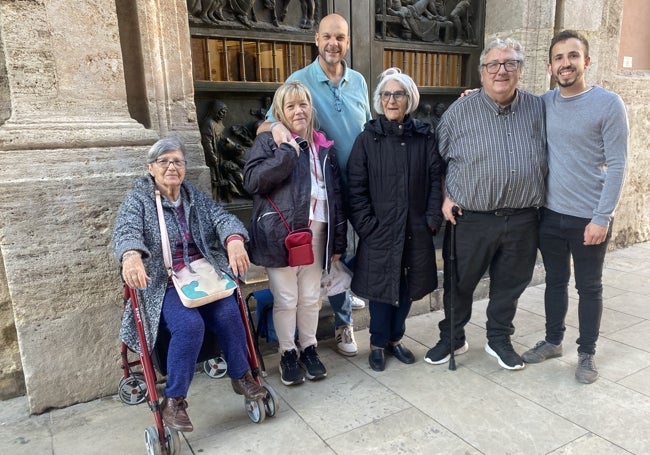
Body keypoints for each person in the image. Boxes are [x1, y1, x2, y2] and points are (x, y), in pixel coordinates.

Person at [112, 136, 266, 432]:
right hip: (163, 280)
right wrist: (131, 255)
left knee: (229, 312)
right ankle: (175, 400)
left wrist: (234, 240)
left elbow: (221, 218)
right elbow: (126, 230)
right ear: (151, 168)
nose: (172, 167)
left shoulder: (192, 195)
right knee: (189, 325)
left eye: (178, 161)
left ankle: (242, 376)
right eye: (164, 161)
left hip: (202, 274)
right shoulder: (139, 199)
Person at [424, 37, 547, 370]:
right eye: (493, 64)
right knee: (459, 282)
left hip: (523, 218)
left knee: (511, 284)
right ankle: (452, 337)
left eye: (510, 63)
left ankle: (498, 339)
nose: (501, 71)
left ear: (521, 69)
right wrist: (446, 194)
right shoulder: (459, 112)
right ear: (481, 72)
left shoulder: (540, 108)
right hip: (471, 218)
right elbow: (436, 160)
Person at [258, 13, 372, 357]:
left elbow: (367, 126)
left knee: (365, 247)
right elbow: (267, 126)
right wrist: (277, 129)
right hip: (324, 189)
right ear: (316, 39)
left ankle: (349, 290)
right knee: (332, 255)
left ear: (347, 42)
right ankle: (342, 324)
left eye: (340, 37)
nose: (333, 43)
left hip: (362, 183)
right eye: (327, 37)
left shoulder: (359, 82)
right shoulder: (300, 79)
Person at [521, 30, 628, 384]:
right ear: (550, 66)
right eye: (558, 58)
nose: (565, 63)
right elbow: (509, 103)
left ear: (586, 61)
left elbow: (618, 164)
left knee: (589, 287)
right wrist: (474, 96)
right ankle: (553, 341)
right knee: (554, 281)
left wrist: (603, 217)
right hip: (550, 214)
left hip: (589, 218)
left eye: (572, 56)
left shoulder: (608, 104)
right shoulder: (545, 102)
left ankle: (586, 352)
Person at [244, 81, 347, 386]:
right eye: (290, 106)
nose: (298, 110)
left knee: (311, 297)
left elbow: (336, 197)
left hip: (317, 233)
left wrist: (338, 241)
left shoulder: (324, 146)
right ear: (279, 112)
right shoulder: (269, 142)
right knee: (287, 298)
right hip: (281, 234)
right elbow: (252, 182)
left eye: (303, 104)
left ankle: (310, 348)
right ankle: (288, 352)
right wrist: (287, 152)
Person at [347, 68, 443, 371]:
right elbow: (356, 188)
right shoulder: (367, 139)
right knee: (380, 290)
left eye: (397, 94)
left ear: (408, 99)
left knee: (407, 287)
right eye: (386, 94)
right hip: (379, 230)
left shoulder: (423, 137)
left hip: (415, 229)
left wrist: (430, 222)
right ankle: (377, 343)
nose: (391, 100)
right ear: (379, 100)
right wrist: (367, 227)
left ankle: (396, 339)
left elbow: (435, 180)